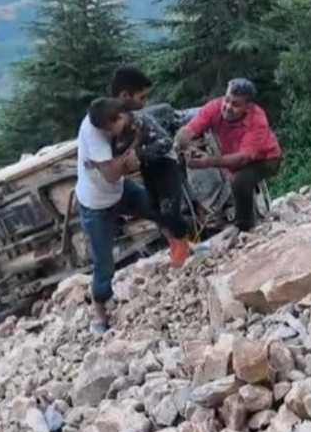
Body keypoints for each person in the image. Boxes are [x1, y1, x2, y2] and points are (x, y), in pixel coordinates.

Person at [76, 97, 158, 334]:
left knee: (156, 208)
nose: (114, 133)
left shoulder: (106, 116)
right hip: (96, 204)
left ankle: (184, 248)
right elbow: (112, 174)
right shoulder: (96, 136)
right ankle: (99, 314)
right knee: (104, 263)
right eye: (112, 130)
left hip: (118, 191)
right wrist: (131, 156)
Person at [109, 66, 192, 267]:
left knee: (169, 210)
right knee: (156, 210)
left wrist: (138, 154)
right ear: (124, 95)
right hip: (148, 169)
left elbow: (166, 143)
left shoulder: (139, 119)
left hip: (166, 165)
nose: (144, 103)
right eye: (142, 98)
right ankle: (178, 247)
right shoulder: (112, 120)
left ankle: (184, 248)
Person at [175, 78, 282, 232]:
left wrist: (208, 162)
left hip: (266, 159)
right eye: (227, 100)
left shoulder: (257, 120)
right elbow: (189, 129)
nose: (227, 107)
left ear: (248, 107)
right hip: (235, 156)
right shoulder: (214, 107)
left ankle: (243, 227)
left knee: (240, 180)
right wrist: (183, 145)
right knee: (231, 177)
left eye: (236, 104)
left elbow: (243, 158)